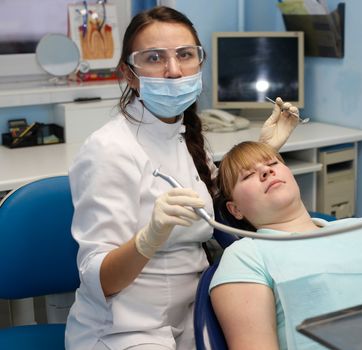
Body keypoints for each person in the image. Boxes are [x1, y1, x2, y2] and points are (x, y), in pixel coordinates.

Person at [65, 6, 300, 350]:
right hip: (125, 331)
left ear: (200, 62)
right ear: (130, 73)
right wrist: (149, 239)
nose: (174, 71)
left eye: (185, 55)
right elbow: (99, 280)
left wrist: (263, 150)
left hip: (191, 318)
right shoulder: (108, 150)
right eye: (155, 57)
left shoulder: (183, 134)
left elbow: (214, 207)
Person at [210, 141, 362, 350]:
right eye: (247, 175)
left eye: (273, 163)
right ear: (235, 209)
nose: (266, 171)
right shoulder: (245, 256)